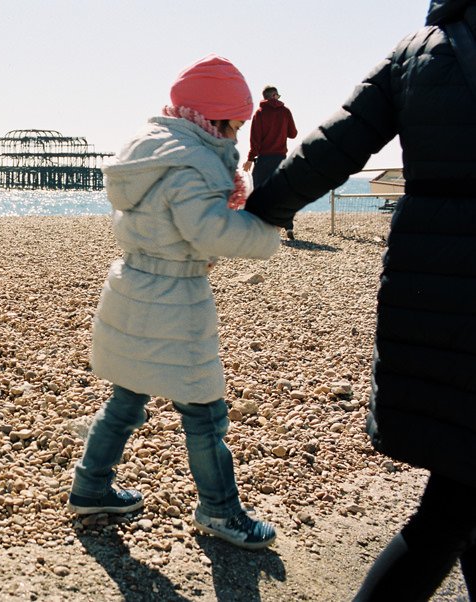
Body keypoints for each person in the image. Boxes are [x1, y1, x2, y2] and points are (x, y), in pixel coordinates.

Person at [243, 0, 476, 598]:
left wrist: (261, 214)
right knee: (454, 507)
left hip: (432, 276)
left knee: (460, 489)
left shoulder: (417, 53)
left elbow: (337, 143)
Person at [66, 54, 281, 551]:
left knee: (126, 398)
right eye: (237, 124)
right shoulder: (192, 163)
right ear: (216, 118)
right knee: (204, 411)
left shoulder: (155, 151)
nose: (237, 136)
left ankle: (90, 487)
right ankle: (220, 510)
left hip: (133, 286)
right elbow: (206, 229)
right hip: (174, 297)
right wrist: (265, 233)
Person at [242, 86, 297, 239]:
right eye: (277, 95)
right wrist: (281, 129)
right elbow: (293, 134)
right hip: (280, 158)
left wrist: (250, 159)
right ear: (273, 95)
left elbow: (255, 141)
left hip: (264, 159)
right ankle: (288, 227)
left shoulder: (259, 113)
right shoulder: (285, 111)